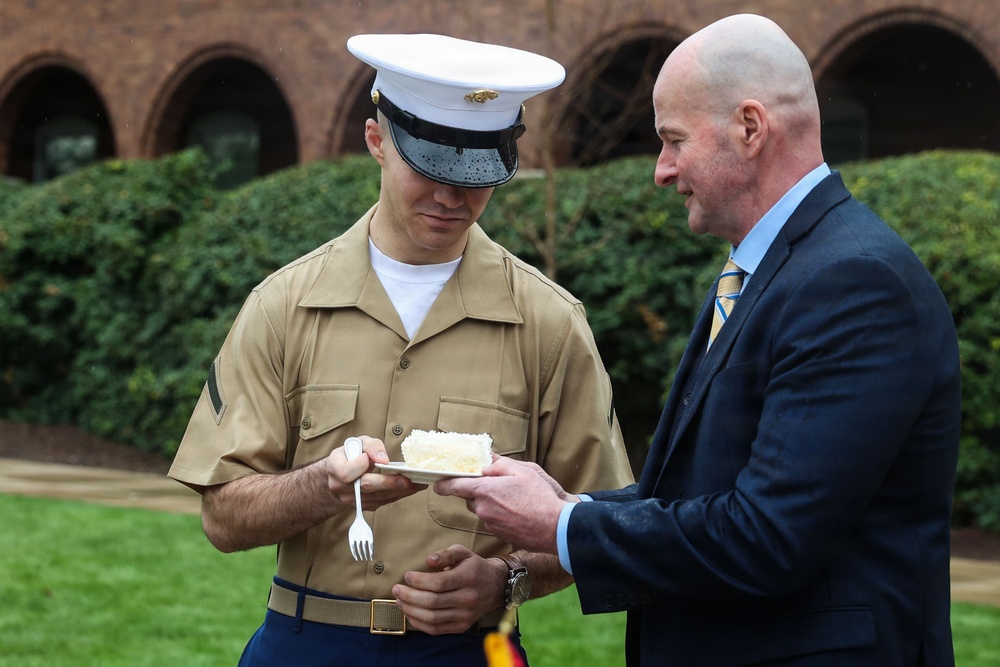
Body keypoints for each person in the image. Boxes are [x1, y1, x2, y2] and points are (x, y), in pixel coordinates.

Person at [438, 13, 962, 667]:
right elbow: (704, 493)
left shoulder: (854, 283)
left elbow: (767, 538)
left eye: (673, 140)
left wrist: (562, 525)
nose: (661, 170)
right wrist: (565, 499)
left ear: (750, 128)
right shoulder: (770, 268)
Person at [167, 33, 634, 667]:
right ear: (376, 140)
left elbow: (602, 519)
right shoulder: (283, 306)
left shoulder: (549, 322)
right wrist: (322, 489)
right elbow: (222, 517)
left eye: (474, 177)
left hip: (474, 649)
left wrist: (506, 581)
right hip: (308, 644)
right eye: (430, 169)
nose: (452, 197)